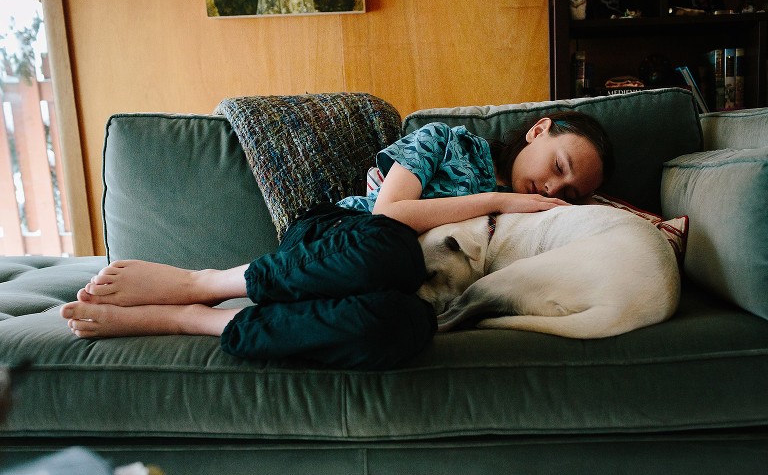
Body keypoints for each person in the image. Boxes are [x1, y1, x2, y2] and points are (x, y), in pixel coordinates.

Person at [60, 111, 614, 369]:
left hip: (405, 293)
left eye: (570, 191)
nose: (554, 188)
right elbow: (391, 213)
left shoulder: (539, 221)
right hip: (341, 242)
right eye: (558, 166)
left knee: (404, 327)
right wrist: (498, 201)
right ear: (538, 130)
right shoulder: (449, 142)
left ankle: (193, 320)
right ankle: (203, 284)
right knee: (394, 250)